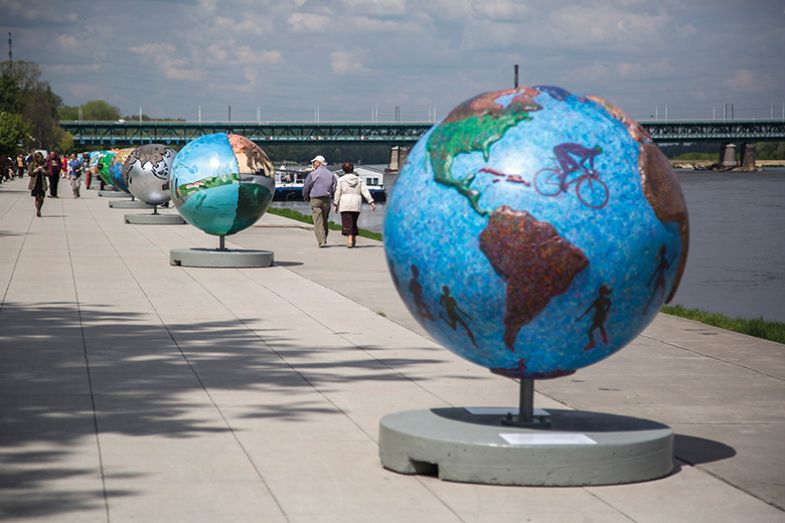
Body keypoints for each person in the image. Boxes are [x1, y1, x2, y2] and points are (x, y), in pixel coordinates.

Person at [332, 162, 375, 248]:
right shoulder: (359, 180)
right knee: (353, 221)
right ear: (353, 169)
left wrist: (335, 204)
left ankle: (350, 239)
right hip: (356, 202)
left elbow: (337, 192)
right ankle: (354, 237)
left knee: (347, 222)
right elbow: (365, 191)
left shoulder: (341, 180)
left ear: (343, 170)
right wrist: (371, 201)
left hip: (345, 203)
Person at [302, 154, 336, 247]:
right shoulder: (331, 174)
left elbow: (306, 187)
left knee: (317, 220)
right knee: (325, 220)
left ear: (318, 163)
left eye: (313, 162)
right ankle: (324, 238)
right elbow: (334, 188)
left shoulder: (313, 174)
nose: (312, 164)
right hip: (327, 199)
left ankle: (321, 241)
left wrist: (306, 197)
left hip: (315, 198)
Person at [28, 151, 48, 217]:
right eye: (38, 157)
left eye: (40, 157)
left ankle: (40, 208)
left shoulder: (44, 164)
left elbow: (47, 173)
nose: (40, 158)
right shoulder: (32, 164)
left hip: (42, 182)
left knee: (41, 198)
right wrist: (35, 170)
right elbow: (30, 173)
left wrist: (42, 170)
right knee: (37, 197)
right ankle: (38, 211)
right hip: (35, 183)